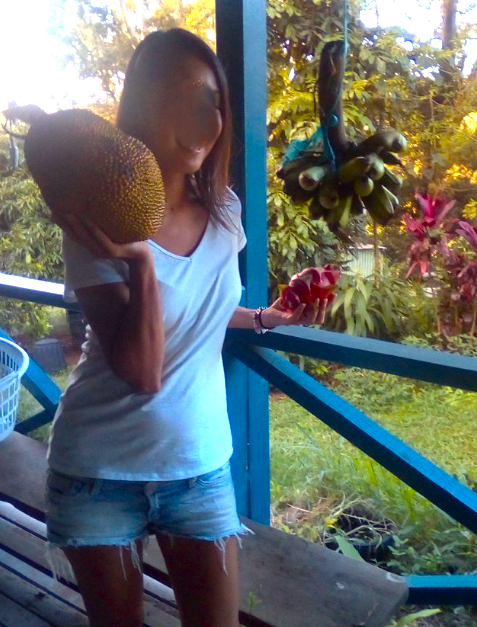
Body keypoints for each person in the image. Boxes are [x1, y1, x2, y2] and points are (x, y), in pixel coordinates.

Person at [46, 28, 322, 627]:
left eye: (213, 101)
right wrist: (141, 263)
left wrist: (264, 317)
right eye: (184, 96)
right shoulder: (96, 224)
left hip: (197, 465)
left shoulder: (225, 210)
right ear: (144, 105)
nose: (205, 118)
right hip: (98, 473)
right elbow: (142, 370)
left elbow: (201, 306)